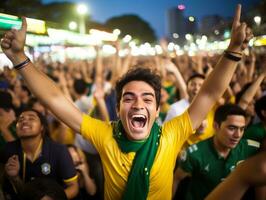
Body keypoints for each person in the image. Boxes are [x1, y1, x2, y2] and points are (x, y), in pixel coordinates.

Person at [0, 4, 253, 200]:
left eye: (147, 98)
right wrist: (19, 58)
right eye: (128, 98)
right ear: (118, 109)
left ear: (156, 110)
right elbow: (55, 99)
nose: (137, 104)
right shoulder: (104, 133)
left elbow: (208, 95)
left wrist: (233, 52)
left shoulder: (172, 134)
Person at [173, 104, 260, 199]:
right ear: (216, 126)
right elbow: (176, 179)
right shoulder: (195, 154)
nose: (238, 135)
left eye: (242, 129)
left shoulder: (251, 148)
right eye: (232, 128)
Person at [0, 109, 79, 199]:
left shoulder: (59, 151)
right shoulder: (9, 150)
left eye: (31, 118)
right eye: (20, 120)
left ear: (42, 127)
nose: (24, 121)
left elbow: (73, 187)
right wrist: (15, 178)